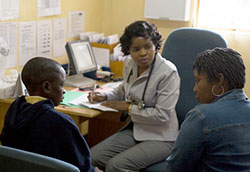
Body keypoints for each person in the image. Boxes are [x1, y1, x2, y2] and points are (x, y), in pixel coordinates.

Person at [88, 20, 180, 171]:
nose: (143, 53)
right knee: (92, 157)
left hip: (162, 137)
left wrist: (129, 108)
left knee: (115, 166)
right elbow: (125, 89)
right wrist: (105, 95)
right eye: (136, 49)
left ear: (155, 46)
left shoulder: (168, 72)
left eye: (147, 47)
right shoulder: (130, 64)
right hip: (137, 130)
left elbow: (162, 114)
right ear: (128, 51)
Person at [0, 57, 102, 172]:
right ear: (46, 87)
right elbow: (82, 165)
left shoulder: (14, 111)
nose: (64, 90)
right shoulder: (61, 122)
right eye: (62, 84)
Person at [167, 47, 250, 171]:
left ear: (219, 80)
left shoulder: (201, 117)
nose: (195, 88)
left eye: (198, 80)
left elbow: (175, 168)